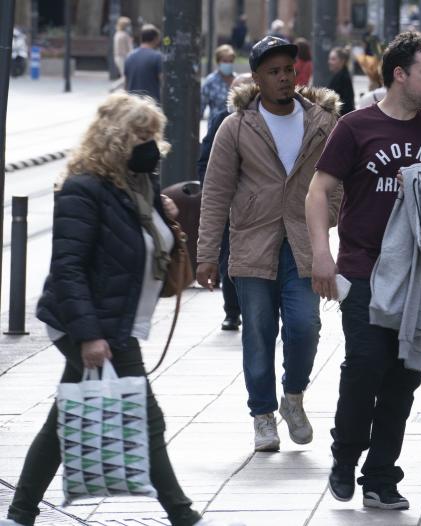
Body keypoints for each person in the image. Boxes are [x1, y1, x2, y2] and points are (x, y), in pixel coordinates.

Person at [0, 93, 241, 526]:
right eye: (141, 135)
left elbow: (152, 251)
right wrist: (90, 335)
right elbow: (68, 268)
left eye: (154, 135)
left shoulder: (139, 185)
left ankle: (19, 514)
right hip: (91, 323)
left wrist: (164, 217)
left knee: (65, 418)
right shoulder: (83, 190)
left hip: (119, 319)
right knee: (147, 419)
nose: (151, 144)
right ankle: (184, 515)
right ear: (116, 139)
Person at [305, 31, 421, 511]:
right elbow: (318, 191)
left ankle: (380, 476)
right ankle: (344, 455)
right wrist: (321, 254)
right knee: (364, 367)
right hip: (362, 268)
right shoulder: (356, 127)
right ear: (400, 74)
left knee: (403, 376)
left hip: (416, 276)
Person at [196, 36, 341, 453]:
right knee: (257, 332)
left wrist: (326, 218)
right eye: (273, 72)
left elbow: (337, 183)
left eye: (288, 71)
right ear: (257, 77)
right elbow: (216, 193)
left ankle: (292, 397)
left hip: (302, 242)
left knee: (305, 326)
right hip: (251, 242)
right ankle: (262, 416)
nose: (283, 79)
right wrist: (206, 256)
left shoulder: (321, 123)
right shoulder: (237, 126)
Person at [197, 74, 253, 332]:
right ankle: (232, 312)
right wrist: (215, 191)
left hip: (260, 208)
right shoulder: (223, 119)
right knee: (228, 257)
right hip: (232, 205)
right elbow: (204, 160)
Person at [124, 24, 163, 102]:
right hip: (151, 105)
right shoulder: (157, 57)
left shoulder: (129, 56)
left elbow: (126, 83)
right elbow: (163, 81)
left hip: (133, 104)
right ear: (156, 39)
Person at [201, 44, 236, 127]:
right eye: (225, 61)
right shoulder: (210, 81)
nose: (228, 64)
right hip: (215, 128)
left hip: (235, 129)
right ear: (218, 62)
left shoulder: (238, 81)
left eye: (230, 61)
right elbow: (201, 107)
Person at [327, 46, 354, 115]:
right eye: (329, 59)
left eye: (333, 59)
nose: (329, 62)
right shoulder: (340, 75)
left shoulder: (343, 77)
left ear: (342, 61)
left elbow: (347, 104)